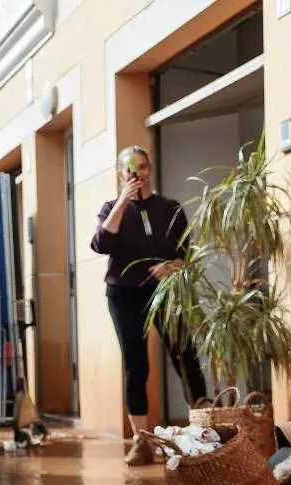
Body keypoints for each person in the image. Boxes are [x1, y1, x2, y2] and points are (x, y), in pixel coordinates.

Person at [90, 145, 207, 466]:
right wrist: (124, 201)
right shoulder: (111, 208)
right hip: (125, 294)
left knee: (186, 357)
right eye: (130, 169)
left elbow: (187, 252)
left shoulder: (168, 207)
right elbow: (102, 243)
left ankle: (203, 432)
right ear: (119, 174)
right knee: (136, 364)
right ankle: (141, 442)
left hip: (167, 290)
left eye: (142, 168)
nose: (137, 174)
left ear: (150, 170)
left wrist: (170, 267)